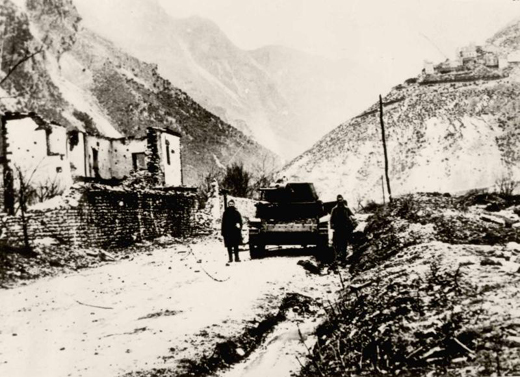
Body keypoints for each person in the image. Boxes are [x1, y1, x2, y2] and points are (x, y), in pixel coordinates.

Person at [330, 194, 355, 265]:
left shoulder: (346, 209)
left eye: (341, 200)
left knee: (344, 243)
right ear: (337, 201)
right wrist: (332, 226)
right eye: (338, 200)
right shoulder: (334, 209)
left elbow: (352, 216)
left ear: (343, 200)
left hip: (345, 228)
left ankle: (343, 258)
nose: (340, 201)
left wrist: (351, 224)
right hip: (338, 229)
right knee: (338, 243)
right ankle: (339, 257)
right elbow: (332, 219)